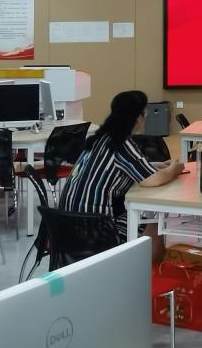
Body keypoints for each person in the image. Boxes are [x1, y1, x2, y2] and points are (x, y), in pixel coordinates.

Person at [59, 90, 184, 255]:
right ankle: (148, 267)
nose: (146, 116)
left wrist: (157, 165)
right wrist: (174, 170)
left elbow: (122, 166)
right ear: (137, 117)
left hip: (66, 227)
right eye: (144, 112)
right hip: (97, 232)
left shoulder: (99, 139)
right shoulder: (121, 143)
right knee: (153, 220)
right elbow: (153, 180)